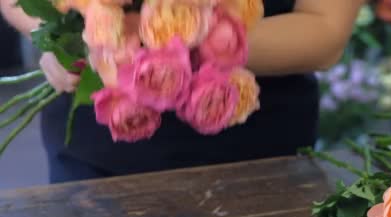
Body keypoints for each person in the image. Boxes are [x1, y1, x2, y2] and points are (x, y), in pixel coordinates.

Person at [0, 0, 365, 182]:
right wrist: (58, 35)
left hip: (259, 153)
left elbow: (325, 30)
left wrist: (169, 41)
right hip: (97, 146)